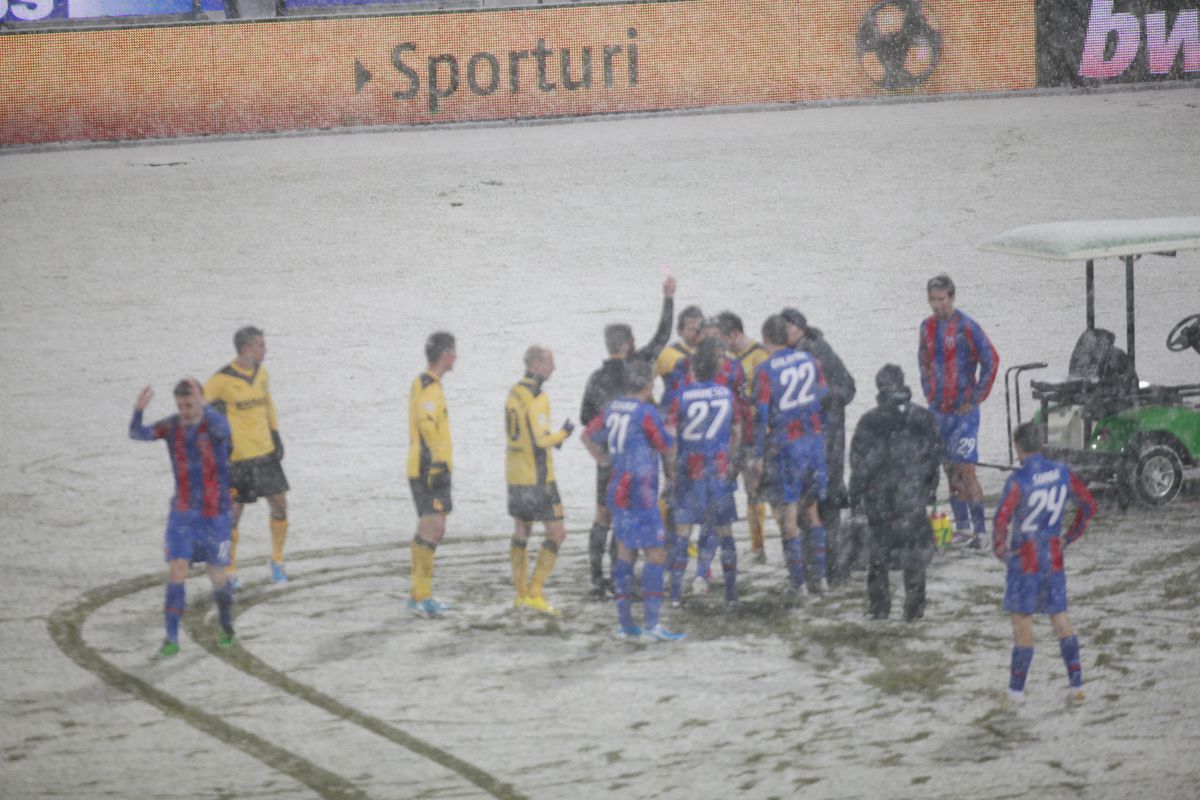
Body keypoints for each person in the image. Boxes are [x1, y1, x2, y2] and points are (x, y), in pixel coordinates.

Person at [580, 276, 676, 598]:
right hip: (635, 460)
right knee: (627, 516)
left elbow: (585, 420)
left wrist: (601, 454)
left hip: (608, 457)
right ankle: (621, 575)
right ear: (629, 344)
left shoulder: (596, 378)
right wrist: (668, 297)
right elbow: (662, 336)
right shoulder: (637, 368)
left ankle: (596, 578)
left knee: (602, 516)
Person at [129, 378, 236, 657]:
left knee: (218, 576)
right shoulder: (172, 426)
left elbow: (225, 434)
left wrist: (205, 407)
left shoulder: (214, 425)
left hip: (216, 514)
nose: (185, 411)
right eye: (180, 406)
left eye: (189, 405)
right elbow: (137, 433)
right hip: (184, 513)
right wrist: (138, 410)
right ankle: (171, 639)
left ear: (200, 400)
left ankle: (226, 625)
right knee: (177, 571)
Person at [993, 422, 1097, 703]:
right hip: (1053, 555)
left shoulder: (1018, 480)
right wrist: (1069, 536)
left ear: (1018, 448)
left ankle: (1016, 691)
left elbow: (1001, 519)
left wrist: (1001, 551)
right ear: (1042, 444)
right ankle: (1076, 684)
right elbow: (1089, 505)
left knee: (1022, 622)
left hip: (1025, 557)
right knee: (1059, 616)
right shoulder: (1063, 472)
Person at [583, 360, 684, 641]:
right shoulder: (645, 412)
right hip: (640, 490)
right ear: (648, 386)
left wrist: (603, 460)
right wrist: (672, 474)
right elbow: (666, 446)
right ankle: (652, 625)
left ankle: (626, 625)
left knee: (625, 552)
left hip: (617, 487)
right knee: (656, 554)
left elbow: (587, 435)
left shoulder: (612, 407)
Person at [848, 365, 941, 621]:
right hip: (913, 497)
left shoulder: (870, 421)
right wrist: (929, 490)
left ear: (879, 387)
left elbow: (859, 464)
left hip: (881, 499)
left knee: (878, 557)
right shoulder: (923, 417)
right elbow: (933, 457)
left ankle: (879, 607)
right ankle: (915, 607)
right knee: (915, 556)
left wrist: (856, 498)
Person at [661, 317, 747, 596]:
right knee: (719, 527)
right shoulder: (718, 388)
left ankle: (692, 580)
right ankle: (727, 593)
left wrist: (670, 469)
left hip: (693, 465)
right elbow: (738, 425)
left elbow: (670, 431)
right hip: (715, 465)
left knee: (692, 527)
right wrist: (732, 457)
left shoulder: (728, 372)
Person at [749, 314, 830, 600]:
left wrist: (758, 455)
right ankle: (821, 578)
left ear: (765, 339)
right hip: (813, 443)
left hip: (787, 446)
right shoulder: (811, 361)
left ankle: (798, 585)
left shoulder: (765, 370)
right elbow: (824, 395)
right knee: (812, 511)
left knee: (789, 517)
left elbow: (761, 415)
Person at [917, 275, 1000, 549]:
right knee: (949, 470)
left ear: (952, 298)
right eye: (933, 300)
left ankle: (981, 531)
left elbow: (991, 360)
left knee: (967, 471)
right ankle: (962, 527)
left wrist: (975, 398)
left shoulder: (967, 327)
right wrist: (928, 392)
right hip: (938, 413)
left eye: (941, 299)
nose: (937, 305)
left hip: (964, 414)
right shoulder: (926, 327)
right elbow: (923, 362)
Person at [204, 326, 290, 588]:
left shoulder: (261, 374)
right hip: (237, 460)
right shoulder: (221, 379)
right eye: (261, 345)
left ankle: (277, 561)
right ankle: (230, 570)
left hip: (265, 454)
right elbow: (201, 410)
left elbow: (268, 403)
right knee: (232, 515)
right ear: (247, 348)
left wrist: (275, 433)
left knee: (280, 506)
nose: (266, 350)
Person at [782, 308, 857, 583]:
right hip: (808, 439)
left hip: (827, 436)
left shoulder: (818, 349)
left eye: (789, 328)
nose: (785, 333)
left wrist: (820, 398)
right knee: (811, 501)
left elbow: (848, 387)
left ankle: (830, 567)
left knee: (826, 501)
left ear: (800, 328)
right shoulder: (788, 355)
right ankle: (815, 565)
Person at [506, 346, 575, 616]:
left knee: (522, 531)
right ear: (537, 364)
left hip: (515, 473)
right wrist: (563, 434)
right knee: (557, 534)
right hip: (538, 477)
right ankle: (535, 592)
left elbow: (524, 433)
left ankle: (520, 594)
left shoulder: (514, 392)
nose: (554, 368)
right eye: (550, 363)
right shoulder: (537, 395)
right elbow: (541, 439)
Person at [407, 331, 457, 618]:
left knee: (430, 529)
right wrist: (437, 462)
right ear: (445, 353)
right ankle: (421, 596)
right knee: (433, 529)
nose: (456, 357)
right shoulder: (428, 386)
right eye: (454, 352)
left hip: (428, 466)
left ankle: (419, 594)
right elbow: (426, 423)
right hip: (429, 467)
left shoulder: (427, 384)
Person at [717, 311, 770, 564]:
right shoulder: (727, 360)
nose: (721, 344)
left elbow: (766, 399)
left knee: (754, 490)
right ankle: (722, 542)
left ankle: (758, 547)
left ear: (734, 334)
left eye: (723, 338)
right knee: (722, 487)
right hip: (731, 435)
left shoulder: (760, 356)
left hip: (752, 434)